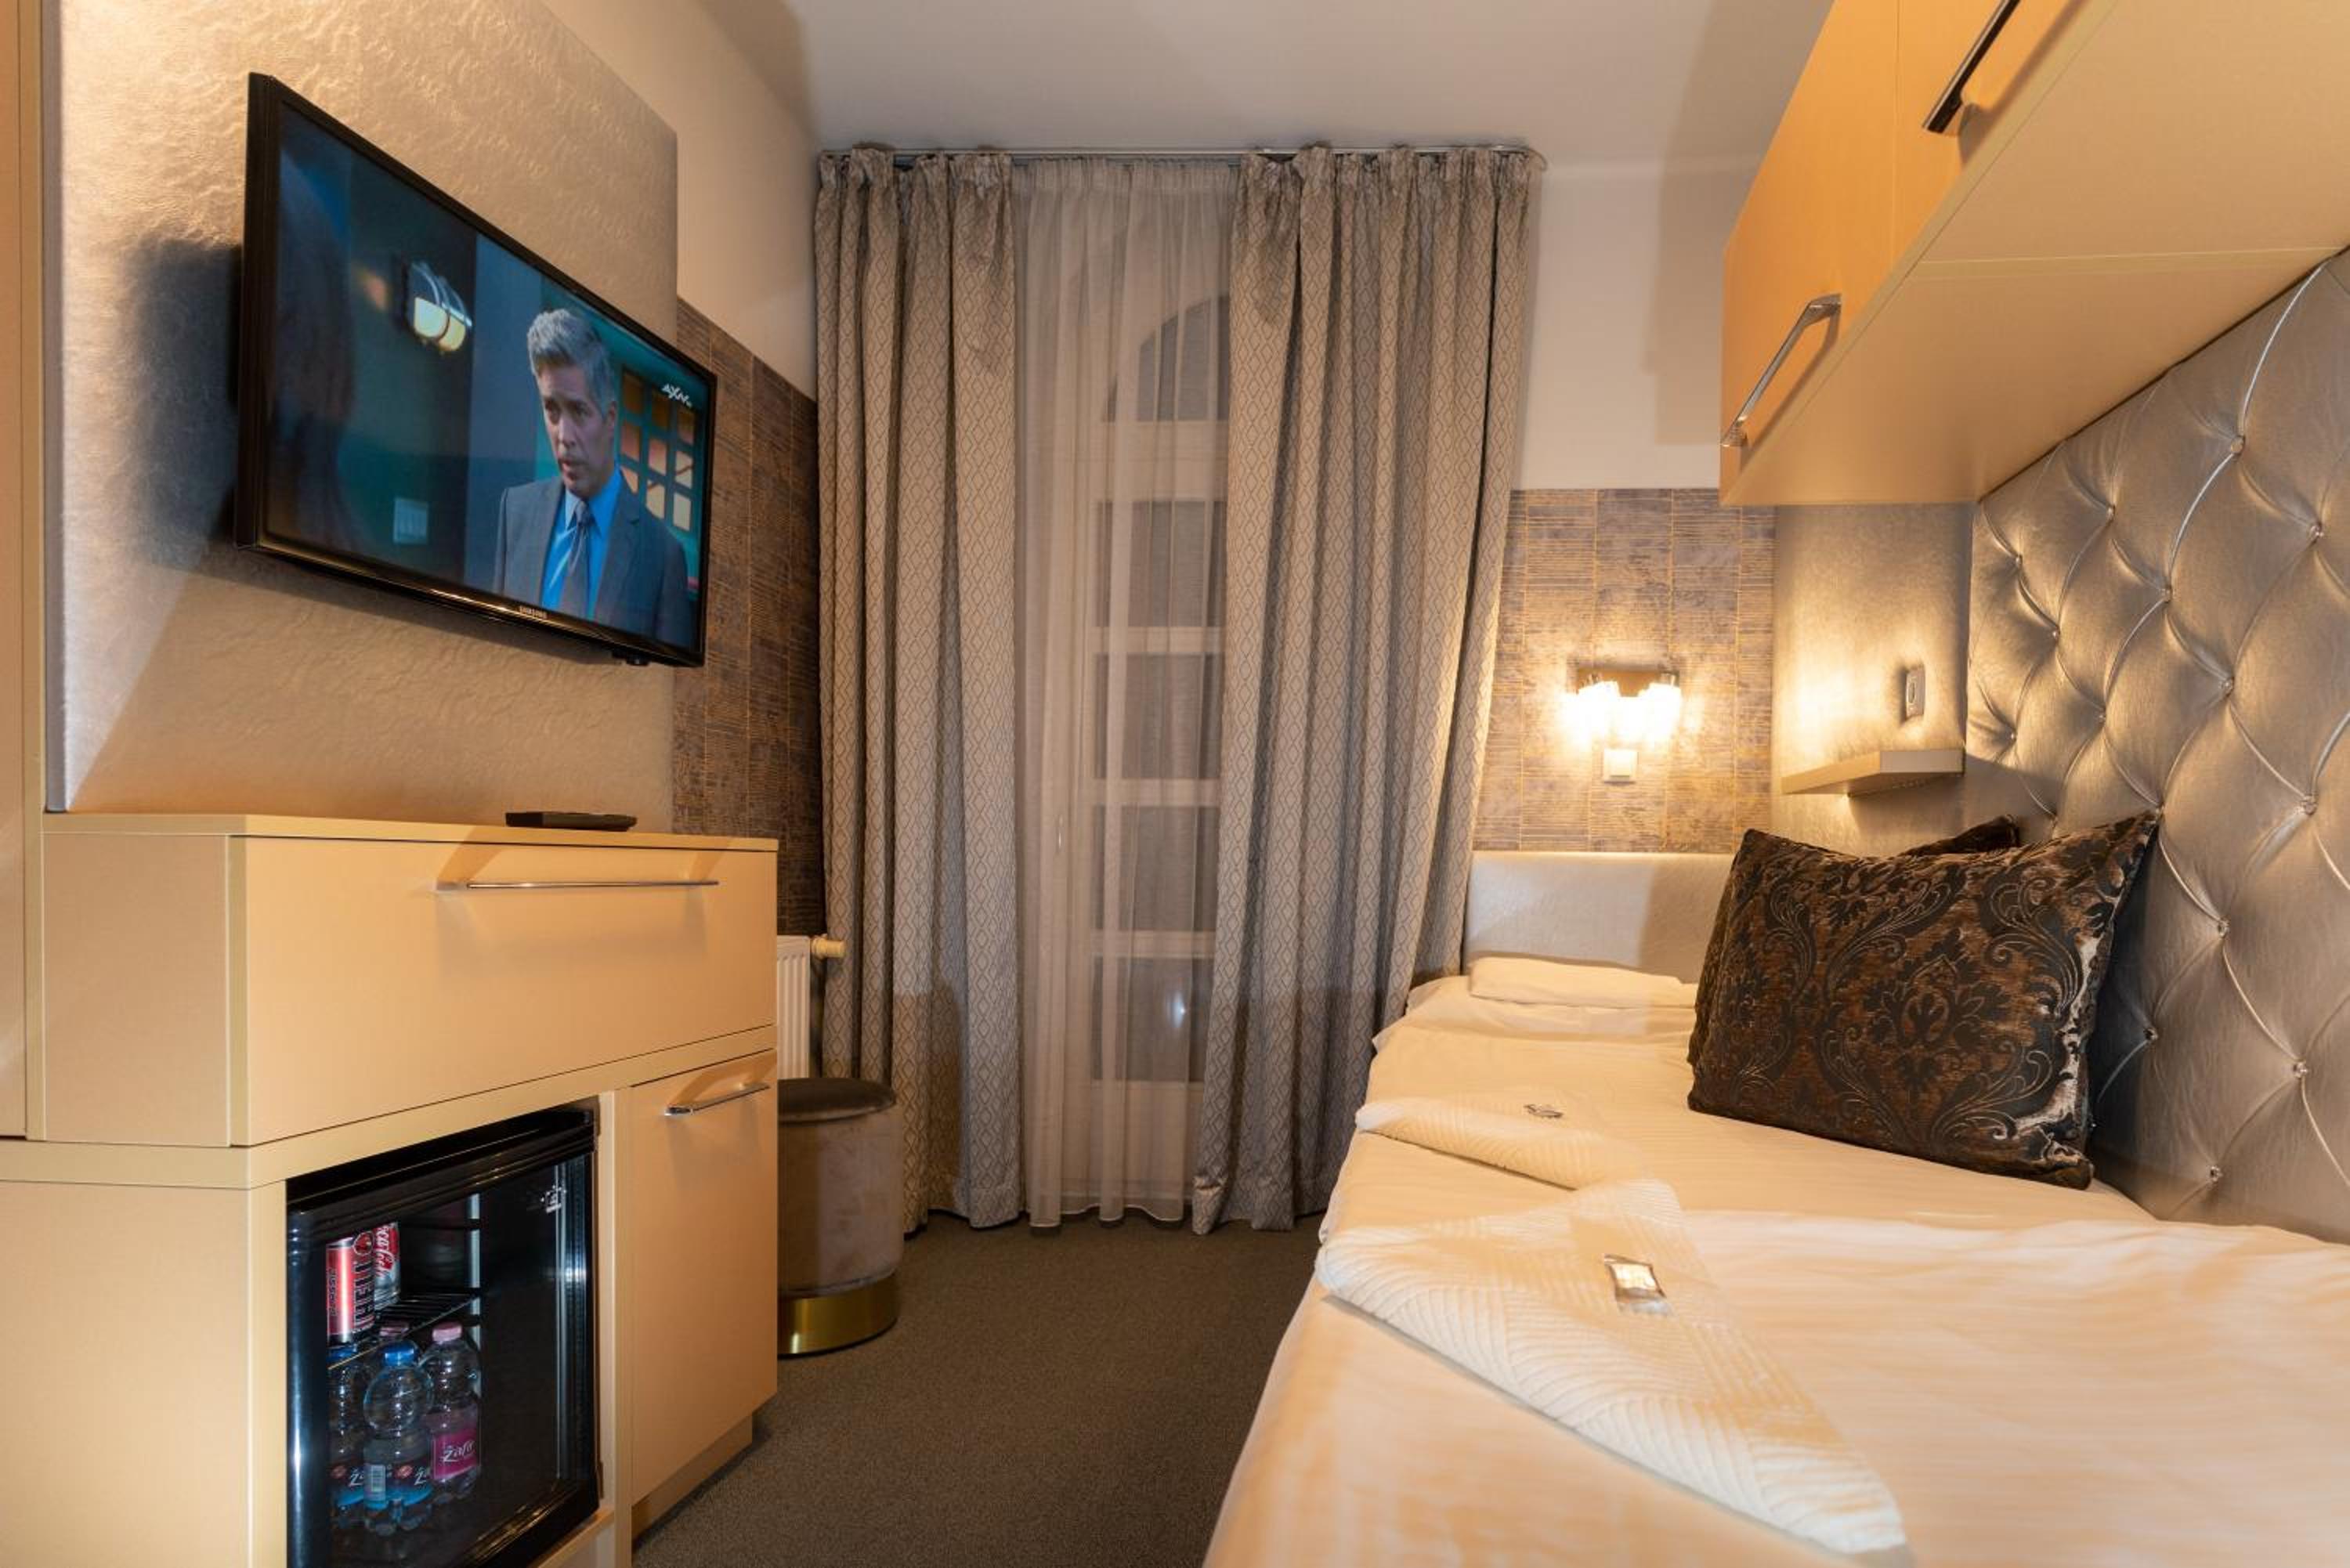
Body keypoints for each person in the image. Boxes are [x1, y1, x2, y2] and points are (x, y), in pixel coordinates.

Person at [491, 308, 692, 649]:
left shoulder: (663, 556)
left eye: (579, 410)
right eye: (552, 409)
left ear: (610, 418)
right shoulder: (515, 512)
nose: (563, 436)